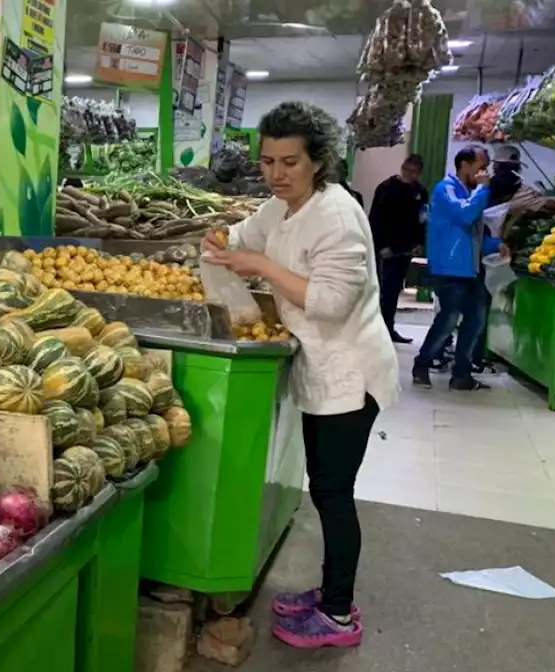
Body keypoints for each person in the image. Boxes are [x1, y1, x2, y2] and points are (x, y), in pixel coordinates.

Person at [201, 101, 399, 649]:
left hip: (350, 377)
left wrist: (260, 267)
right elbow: (248, 234)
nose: (276, 174)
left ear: (318, 161)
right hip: (323, 372)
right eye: (267, 161)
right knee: (325, 487)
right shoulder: (282, 207)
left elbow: (332, 303)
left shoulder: (335, 216)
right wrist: (225, 240)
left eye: (289, 161)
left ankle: (338, 614)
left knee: (335, 493)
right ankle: (330, 594)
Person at [411, 146, 507, 391]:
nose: (484, 172)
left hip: (470, 267)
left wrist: (496, 245)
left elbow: (471, 233)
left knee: (475, 319)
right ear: (465, 164)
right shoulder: (446, 189)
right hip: (449, 267)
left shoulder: (467, 192)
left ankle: (461, 374)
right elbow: (465, 216)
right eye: (480, 165)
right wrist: (483, 188)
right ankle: (422, 363)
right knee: (449, 318)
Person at [368, 154, 429, 343]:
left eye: (414, 172)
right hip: (387, 249)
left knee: (394, 289)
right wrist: (381, 246)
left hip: (406, 248)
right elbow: (376, 219)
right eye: (407, 170)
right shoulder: (387, 189)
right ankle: (377, 330)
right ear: (402, 168)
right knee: (384, 289)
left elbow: (422, 218)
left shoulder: (419, 192)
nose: (410, 175)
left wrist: (419, 242)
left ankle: (388, 327)